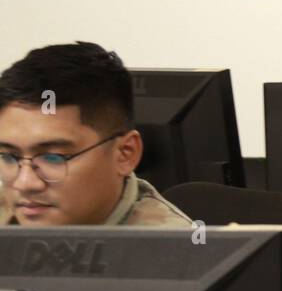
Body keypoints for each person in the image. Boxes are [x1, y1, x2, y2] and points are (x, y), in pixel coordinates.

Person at [0, 43, 191, 227]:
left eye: (53, 158)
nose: (25, 183)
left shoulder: (179, 256)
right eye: (9, 157)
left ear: (126, 153)